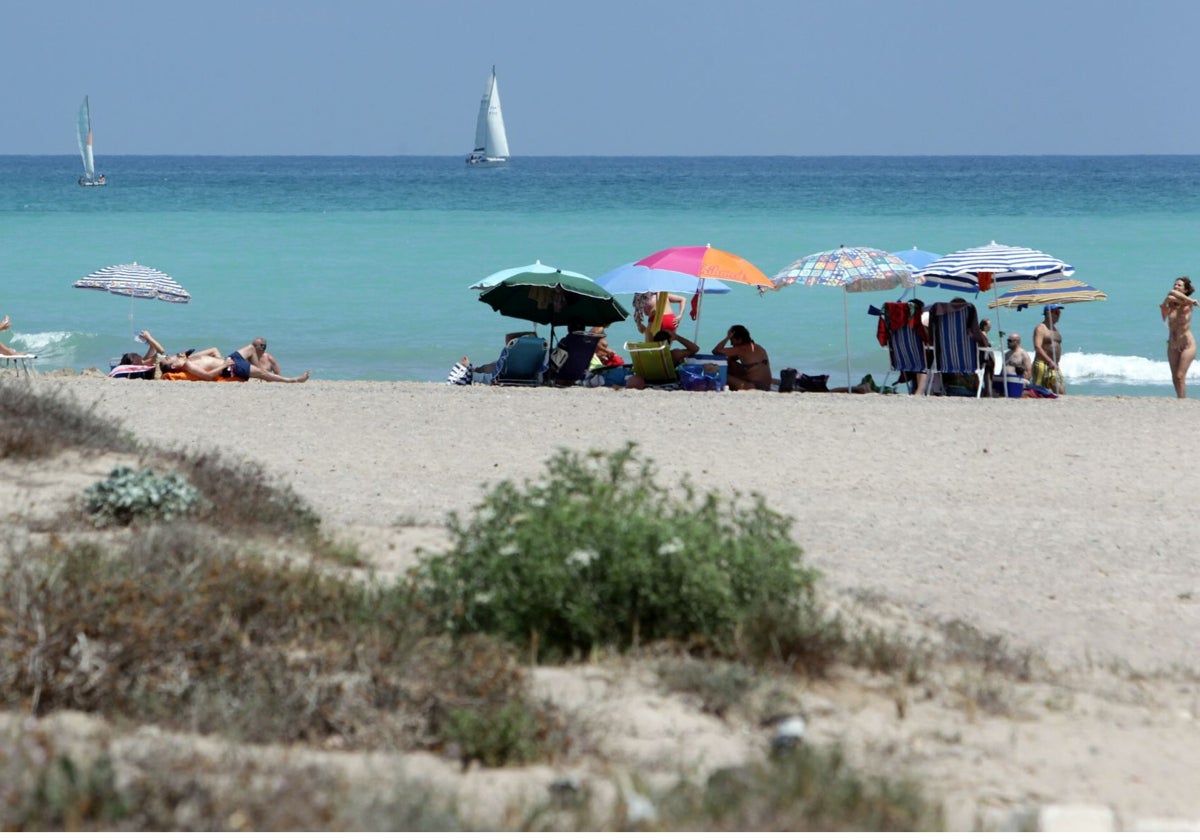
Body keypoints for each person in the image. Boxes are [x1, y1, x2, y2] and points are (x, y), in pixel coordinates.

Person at [158, 350, 310, 383]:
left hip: (229, 360)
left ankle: (263, 374)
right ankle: (292, 380)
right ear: (173, 366)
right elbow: (208, 377)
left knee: (252, 347)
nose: (170, 356)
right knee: (262, 372)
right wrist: (223, 364)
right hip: (230, 367)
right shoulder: (188, 367)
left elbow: (211, 350)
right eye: (169, 359)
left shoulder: (188, 360)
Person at [1160, 276, 1198, 399]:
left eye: (1179, 285)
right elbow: (1171, 295)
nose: (1176, 287)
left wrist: (1190, 301)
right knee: (1175, 377)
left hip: (1187, 344)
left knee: (1180, 375)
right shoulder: (1171, 302)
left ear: (1186, 290)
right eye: (1175, 284)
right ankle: (1180, 399)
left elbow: (1176, 296)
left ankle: (1183, 401)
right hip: (1172, 344)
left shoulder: (1187, 304)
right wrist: (1191, 300)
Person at [624, 328, 699, 390]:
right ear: (669, 342)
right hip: (666, 381)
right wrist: (677, 337)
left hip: (648, 381)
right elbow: (695, 349)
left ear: (654, 341)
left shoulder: (645, 353)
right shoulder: (674, 354)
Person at [712, 324, 771, 391]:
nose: (731, 343)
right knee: (731, 364)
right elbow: (730, 361)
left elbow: (716, 351)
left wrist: (727, 337)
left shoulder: (741, 349)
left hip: (754, 387)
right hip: (766, 386)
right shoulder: (757, 347)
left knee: (721, 374)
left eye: (732, 340)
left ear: (739, 339)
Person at [1031, 304, 1066, 394]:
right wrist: (1049, 361)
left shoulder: (1055, 329)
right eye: (1056, 312)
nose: (1059, 315)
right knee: (1038, 392)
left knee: (1061, 392)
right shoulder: (1041, 328)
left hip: (1054, 365)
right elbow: (1037, 347)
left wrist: (1054, 362)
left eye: (1059, 313)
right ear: (1048, 313)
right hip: (1042, 364)